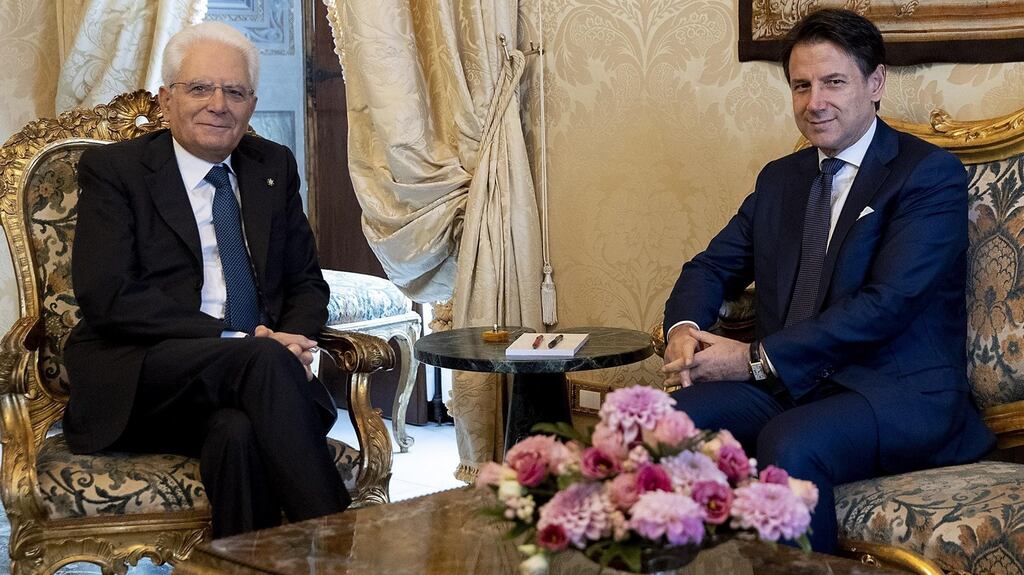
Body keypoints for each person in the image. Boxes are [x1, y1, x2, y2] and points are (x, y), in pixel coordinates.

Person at [661, 9, 994, 553]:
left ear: (875, 82)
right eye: (801, 86)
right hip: (793, 385)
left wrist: (754, 360)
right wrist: (683, 331)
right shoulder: (781, 179)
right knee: (664, 424)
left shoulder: (927, 174)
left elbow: (887, 304)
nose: (815, 102)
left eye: (833, 82)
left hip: (893, 393)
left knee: (790, 441)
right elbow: (710, 267)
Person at [64, 21, 350, 538]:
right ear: (166, 99)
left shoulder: (272, 165)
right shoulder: (116, 170)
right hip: (145, 373)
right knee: (261, 359)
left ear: (251, 105)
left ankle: (246, 568)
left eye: (235, 92)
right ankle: (347, 547)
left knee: (235, 432)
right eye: (199, 88)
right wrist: (238, 338)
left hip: (252, 380)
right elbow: (109, 297)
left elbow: (307, 282)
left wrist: (293, 338)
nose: (218, 104)